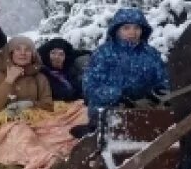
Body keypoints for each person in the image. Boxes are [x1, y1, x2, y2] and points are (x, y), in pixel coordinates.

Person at [0, 36, 88, 169]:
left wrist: (29, 104)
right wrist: (8, 81)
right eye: (18, 49)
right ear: (9, 53)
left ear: (33, 54)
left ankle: (85, 147)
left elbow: (47, 104)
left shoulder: (39, 77)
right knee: (21, 132)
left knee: (80, 109)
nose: (23, 53)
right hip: (3, 126)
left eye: (27, 50)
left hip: (36, 119)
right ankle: (50, 164)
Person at [70, 7, 169, 138]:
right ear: (116, 30)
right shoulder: (102, 53)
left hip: (147, 108)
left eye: (137, 28)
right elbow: (90, 88)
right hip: (109, 109)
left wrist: (156, 95)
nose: (132, 32)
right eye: (126, 28)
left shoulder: (151, 54)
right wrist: (117, 94)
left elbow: (164, 82)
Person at [37, 37, 84, 102]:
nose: (57, 57)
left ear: (65, 57)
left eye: (61, 54)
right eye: (53, 53)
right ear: (48, 54)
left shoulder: (72, 70)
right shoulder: (43, 72)